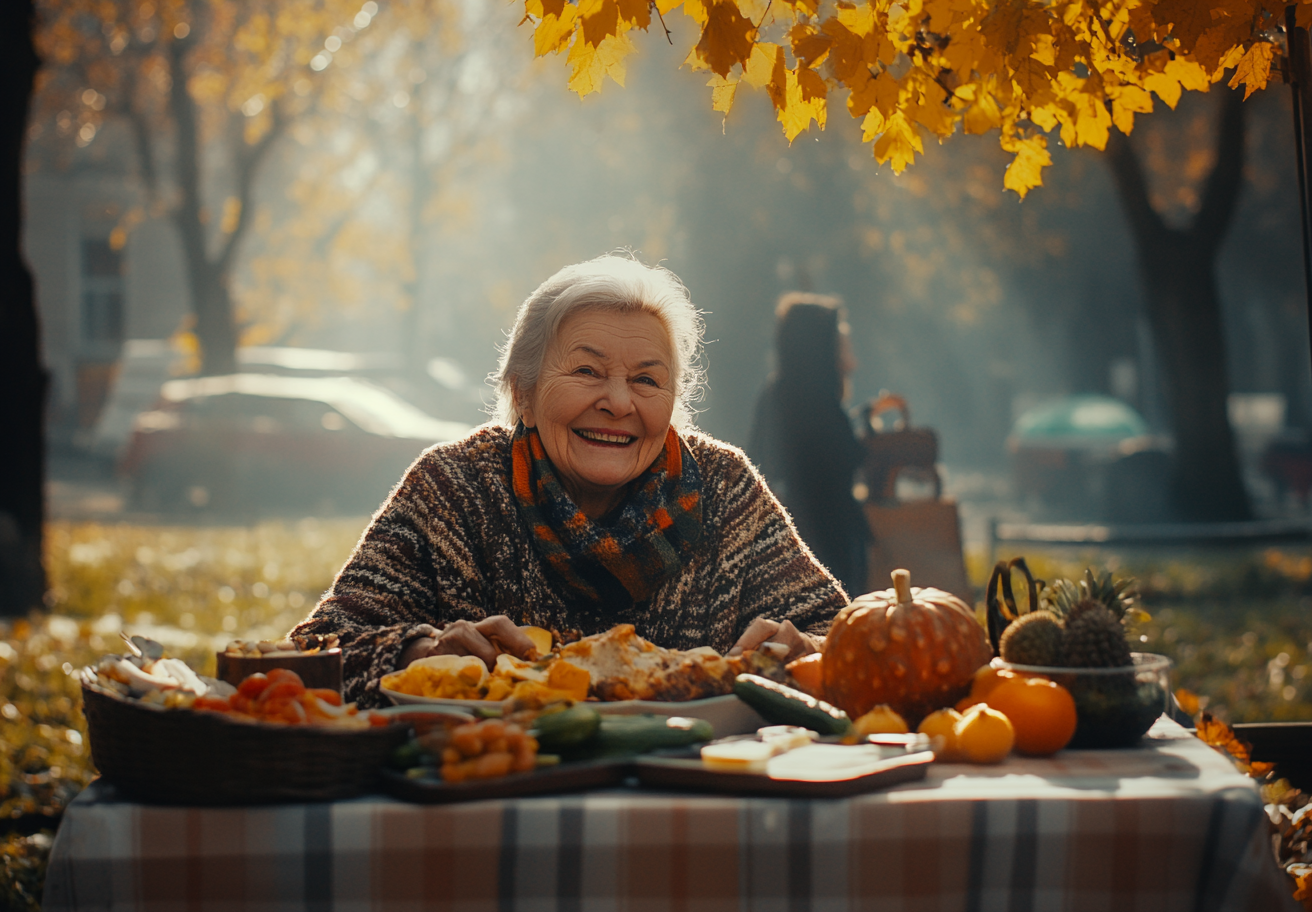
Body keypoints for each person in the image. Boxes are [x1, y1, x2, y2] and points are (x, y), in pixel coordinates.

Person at [295, 255, 847, 706]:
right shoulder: (454, 487)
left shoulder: (724, 487)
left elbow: (846, 641)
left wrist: (809, 650)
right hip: (498, 788)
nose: (619, 402)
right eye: (586, 371)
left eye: (646, 379)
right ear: (523, 392)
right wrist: (418, 653)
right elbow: (308, 659)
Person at [748, 293, 869, 597]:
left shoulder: (780, 394)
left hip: (802, 539)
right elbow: (842, 458)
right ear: (820, 344)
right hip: (821, 540)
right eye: (839, 339)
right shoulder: (814, 401)